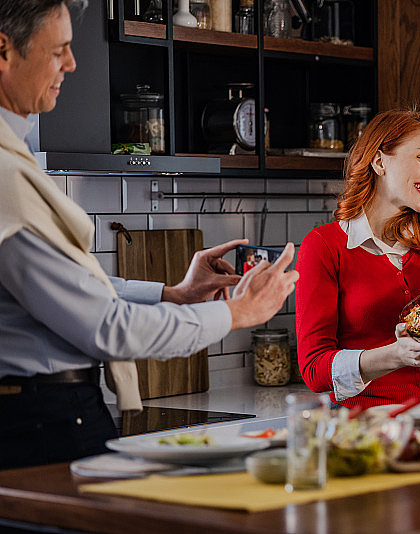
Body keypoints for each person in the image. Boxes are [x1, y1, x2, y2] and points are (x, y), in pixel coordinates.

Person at [0, 0, 299, 469]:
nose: (72, 64)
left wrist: (173, 294)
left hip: (46, 412)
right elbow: (106, 328)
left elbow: (77, 285)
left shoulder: (11, 159)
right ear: (4, 51)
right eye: (58, 50)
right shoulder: (4, 175)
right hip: (39, 420)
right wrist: (240, 313)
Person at [295, 109, 420, 409]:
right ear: (379, 161)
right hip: (366, 428)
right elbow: (314, 370)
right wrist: (396, 355)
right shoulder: (324, 246)